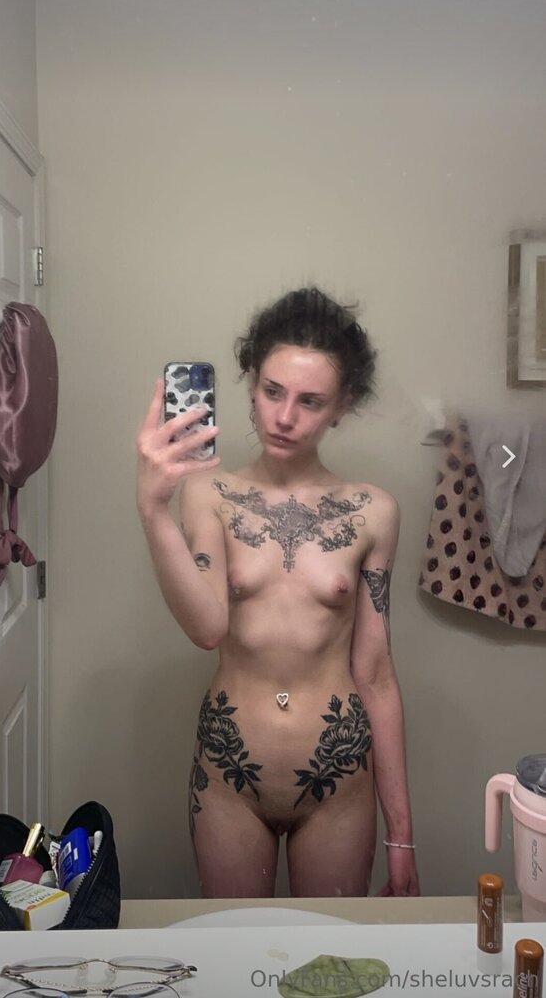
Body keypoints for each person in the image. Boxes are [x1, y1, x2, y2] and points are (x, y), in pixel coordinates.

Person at [136, 286, 420, 898]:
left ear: (342, 405)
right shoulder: (208, 494)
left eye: (310, 401)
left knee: (330, 954)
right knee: (235, 949)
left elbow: (376, 675)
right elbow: (207, 627)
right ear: (250, 383)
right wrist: (153, 510)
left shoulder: (373, 512)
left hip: (339, 783)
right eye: (272, 391)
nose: (284, 417)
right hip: (229, 777)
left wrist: (402, 839)